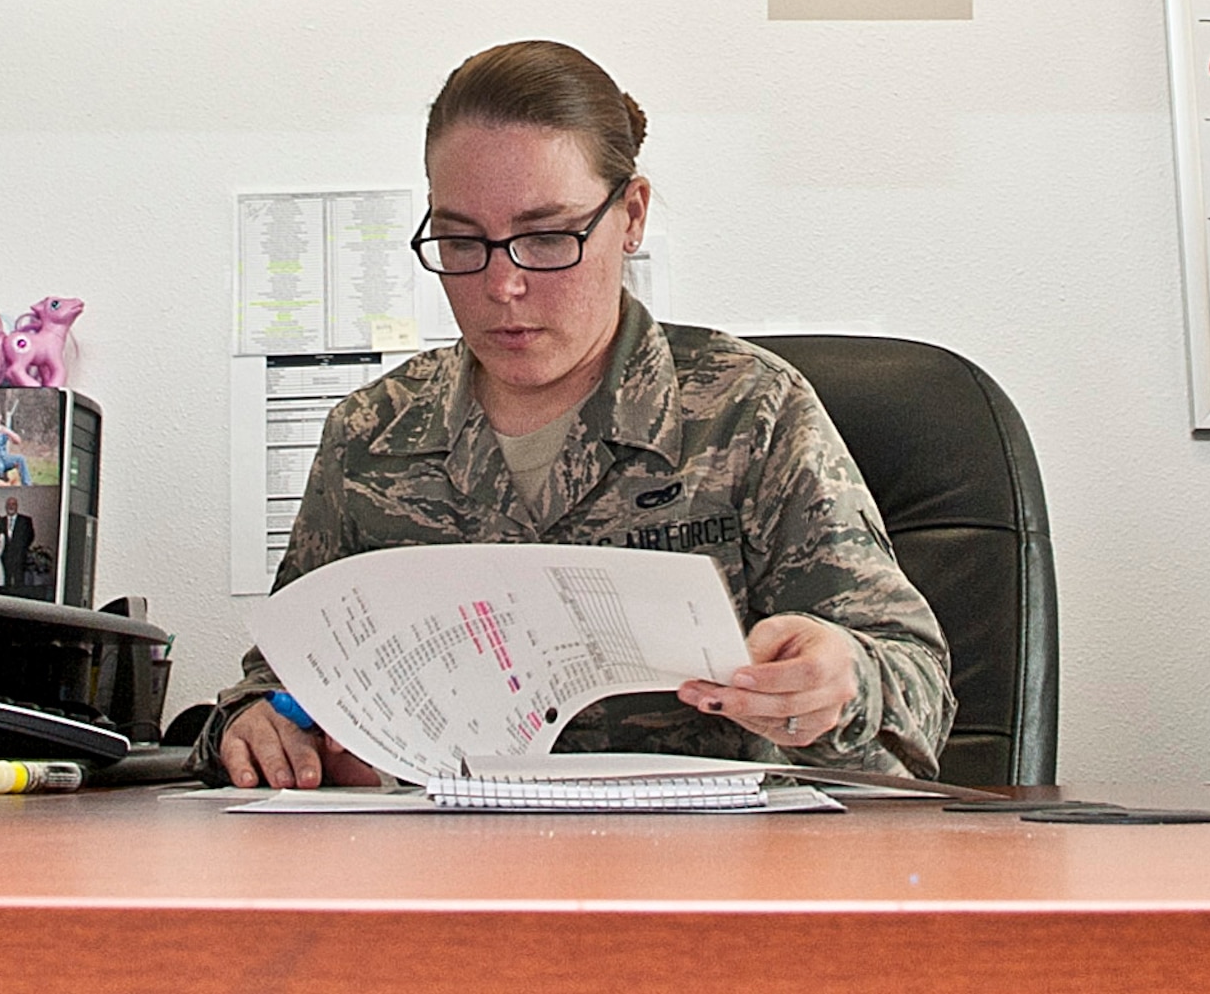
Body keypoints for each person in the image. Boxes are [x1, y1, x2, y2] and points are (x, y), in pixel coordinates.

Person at [193, 40, 954, 790]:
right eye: (462, 242)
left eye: (547, 237)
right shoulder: (370, 437)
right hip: (441, 883)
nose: (503, 284)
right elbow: (284, 683)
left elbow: (920, 693)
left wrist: (841, 680)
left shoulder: (749, 412)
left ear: (631, 215)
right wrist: (258, 720)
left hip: (700, 887)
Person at [0, 410, 32, 486]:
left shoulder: (3, 430)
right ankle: (1, 486)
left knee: (20, 459)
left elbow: (18, 441)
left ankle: (27, 485)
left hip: (4, 457)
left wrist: (8, 432)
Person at [0, 495, 36, 587]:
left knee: (19, 582)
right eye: (9, 504)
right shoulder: (1, 521)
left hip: (19, 558)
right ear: (6, 506)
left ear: (17, 506)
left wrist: (22, 549)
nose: (11, 506)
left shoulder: (25, 520)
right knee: (5, 582)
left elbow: (30, 536)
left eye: (13, 504)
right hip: (4, 558)